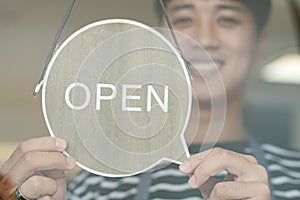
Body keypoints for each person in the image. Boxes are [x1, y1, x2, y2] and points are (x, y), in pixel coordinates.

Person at [1, 0, 300, 199]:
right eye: (184, 18)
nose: (204, 39)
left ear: (260, 43)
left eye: (227, 19)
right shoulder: (93, 186)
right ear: (158, 43)